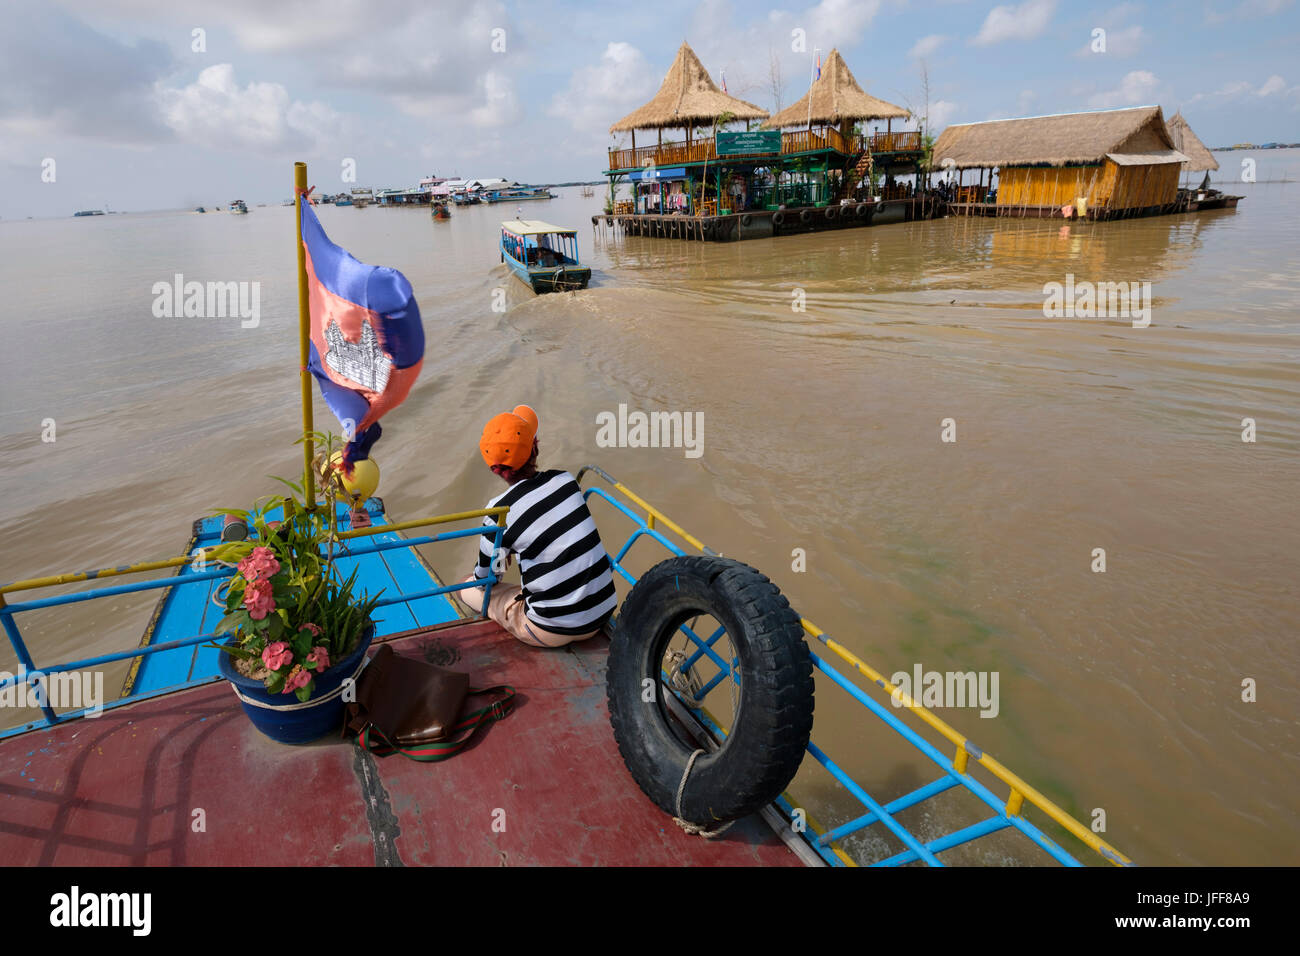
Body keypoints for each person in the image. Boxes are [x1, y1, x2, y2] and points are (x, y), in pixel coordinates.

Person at [458, 405, 617, 647]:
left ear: (494, 467)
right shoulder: (565, 480)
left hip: (549, 630)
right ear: (536, 447)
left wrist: (502, 552)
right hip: (602, 611)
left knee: (466, 586)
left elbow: (488, 578)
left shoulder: (499, 513)